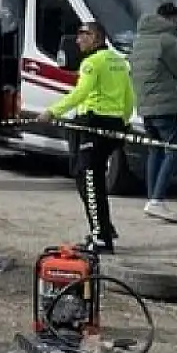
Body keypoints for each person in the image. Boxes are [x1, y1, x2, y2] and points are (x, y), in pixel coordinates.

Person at [41, 22, 135, 254]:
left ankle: (101, 237)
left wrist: (53, 111)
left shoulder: (92, 63)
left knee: (89, 180)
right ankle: (102, 227)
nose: (78, 39)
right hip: (113, 125)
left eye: (84, 34)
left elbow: (80, 93)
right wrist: (123, 123)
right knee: (91, 179)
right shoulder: (119, 61)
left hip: (93, 124)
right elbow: (129, 95)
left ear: (97, 38)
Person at [129, 1, 177, 223]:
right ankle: (157, 199)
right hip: (164, 104)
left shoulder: (140, 39)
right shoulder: (167, 39)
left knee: (154, 150)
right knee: (174, 149)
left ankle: (151, 197)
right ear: (173, 19)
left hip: (145, 104)